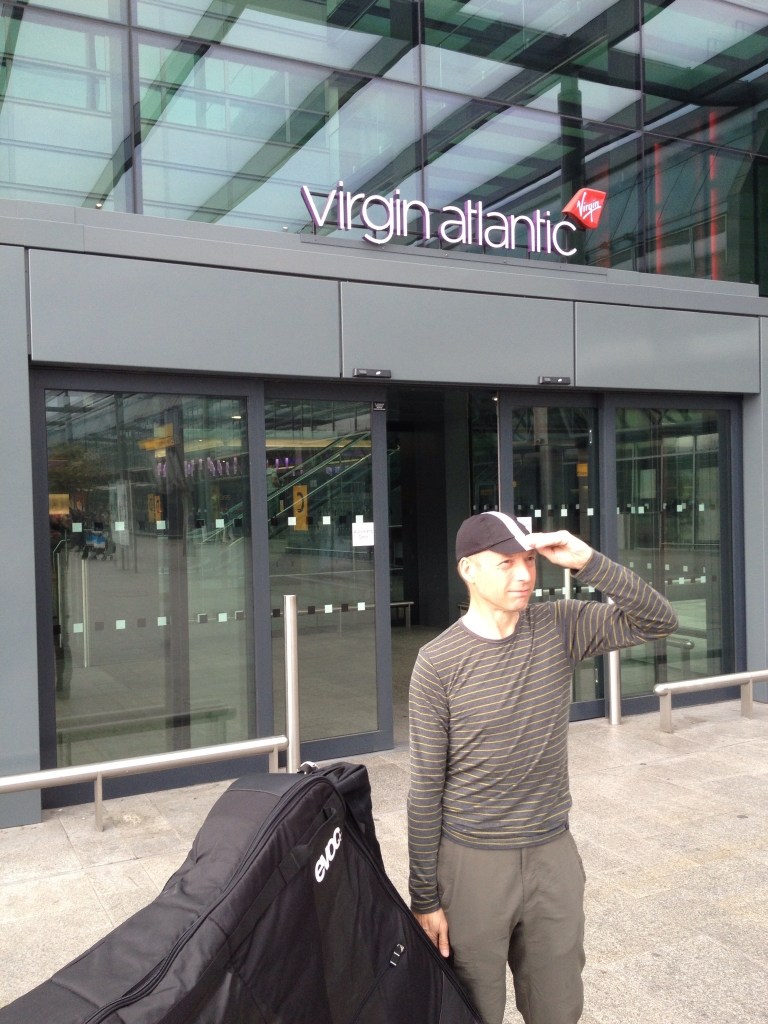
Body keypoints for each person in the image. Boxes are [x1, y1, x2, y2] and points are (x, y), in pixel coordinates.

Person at [407, 511, 678, 1024]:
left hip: (552, 851)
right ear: (468, 569)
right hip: (471, 862)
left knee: (558, 1005)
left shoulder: (559, 625)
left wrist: (587, 560)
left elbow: (658, 620)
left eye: (529, 561)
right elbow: (424, 787)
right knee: (471, 1007)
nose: (524, 575)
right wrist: (425, 897)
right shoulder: (437, 663)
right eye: (506, 563)